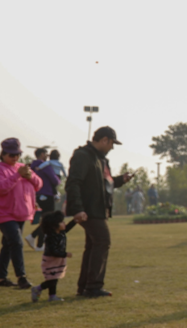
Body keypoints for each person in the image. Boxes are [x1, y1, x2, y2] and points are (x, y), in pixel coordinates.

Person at [66, 126, 134, 298]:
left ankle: (85, 286)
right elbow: (73, 183)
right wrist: (78, 209)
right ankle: (93, 286)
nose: (112, 147)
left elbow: (105, 184)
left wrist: (120, 180)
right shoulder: (83, 156)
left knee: (93, 246)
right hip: (89, 210)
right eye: (112, 143)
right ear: (105, 140)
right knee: (103, 241)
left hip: (97, 210)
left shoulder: (99, 159)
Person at [0, 137, 42, 289]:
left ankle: (0, 278)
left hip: (21, 213)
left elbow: (39, 185)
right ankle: (21, 277)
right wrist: (17, 175)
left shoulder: (21, 167)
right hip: (4, 213)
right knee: (16, 242)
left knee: (8, 245)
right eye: (11, 155)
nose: (15, 158)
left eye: (17, 154)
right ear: (3, 154)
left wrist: (30, 176)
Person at [31, 211, 77, 303]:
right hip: (51, 260)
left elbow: (67, 228)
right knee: (52, 279)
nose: (64, 223)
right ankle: (38, 288)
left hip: (58, 260)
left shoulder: (60, 232)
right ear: (54, 225)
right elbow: (53, 252)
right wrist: (65, 254)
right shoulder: (51, 237)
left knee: (54, 278)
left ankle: (52, 296)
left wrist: (75, 221)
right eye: (61, 222)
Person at [27, 148, 62, 251]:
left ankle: (40, 244)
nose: (47, 156)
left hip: (37, 195)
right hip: (47, 194)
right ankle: (33, 237)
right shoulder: (45, 166)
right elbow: (55, 181)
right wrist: (58, 179)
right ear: (42, 154)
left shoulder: (32, 166)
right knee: (49, 220)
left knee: (45, 220)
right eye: (46, 154)